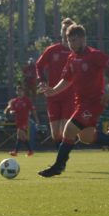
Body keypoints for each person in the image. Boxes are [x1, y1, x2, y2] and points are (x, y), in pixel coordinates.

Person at [37, 24, 109, 177]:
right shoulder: (71, 58)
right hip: (80, 102)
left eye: (74, 40)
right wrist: (53, 91)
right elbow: (67, 80)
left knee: (69, 129)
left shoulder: (94, 55)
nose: (71, 44)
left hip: (94, 102)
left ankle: (58, 166)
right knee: (86, 137)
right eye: (69, 40)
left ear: (83, 39)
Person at [35, 17, 76, 149]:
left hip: (70, 96)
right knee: (55, 134)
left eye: (68, 29)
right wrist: (42, 81)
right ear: (61, 32)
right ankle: (62, 155)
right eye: (63, 29)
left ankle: (61, 158)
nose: (65, 32)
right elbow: (39, 65)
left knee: (65, 131)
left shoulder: (77, 52)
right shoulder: (52, 50)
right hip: (52, 95)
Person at [5, 85, 39, 157]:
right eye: (18, 91)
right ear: (16, 92)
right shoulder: (14, 101)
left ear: (23, 92)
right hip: (18, 121)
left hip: (24, 120)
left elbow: (33, 110)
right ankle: (30, 151)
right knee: (21, 136)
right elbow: (10, 110)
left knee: (21, 134)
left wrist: (36, 119)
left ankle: (16, 151)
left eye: (21, 91)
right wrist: (11, 111)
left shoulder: (27, 100)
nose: (20, 92)